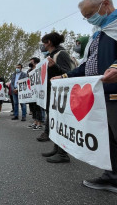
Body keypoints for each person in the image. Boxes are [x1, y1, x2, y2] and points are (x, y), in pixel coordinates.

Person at [53, 0, 117, 192]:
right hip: (101, 94)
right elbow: (87, 64)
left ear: (105, 4)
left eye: (90, 14)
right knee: (109, 139)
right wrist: (65, 77)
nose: (88, 19)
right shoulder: (99, 34)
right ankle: (112, 176)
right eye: (85, 16)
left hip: (115, 93)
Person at [39, 32, 76, 163]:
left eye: (44, 42)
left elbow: (68, 73)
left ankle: (63, 153)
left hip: (60, 94)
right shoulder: (51, 55)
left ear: (49, 42)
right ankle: (57, 147)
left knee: (60, 121)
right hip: (52, 93)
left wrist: (54, 66)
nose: (43, 45)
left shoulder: (61, 54)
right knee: (54, 120)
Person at [27, 57, 43, 130]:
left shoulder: (40, 68)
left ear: (35, 62)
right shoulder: (29, 71)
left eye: (31, 61)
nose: (30, 62)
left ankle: (39, 123)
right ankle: (35, 121)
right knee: (32, 107)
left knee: (38, 108)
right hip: (31, 92)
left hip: (38, 91)